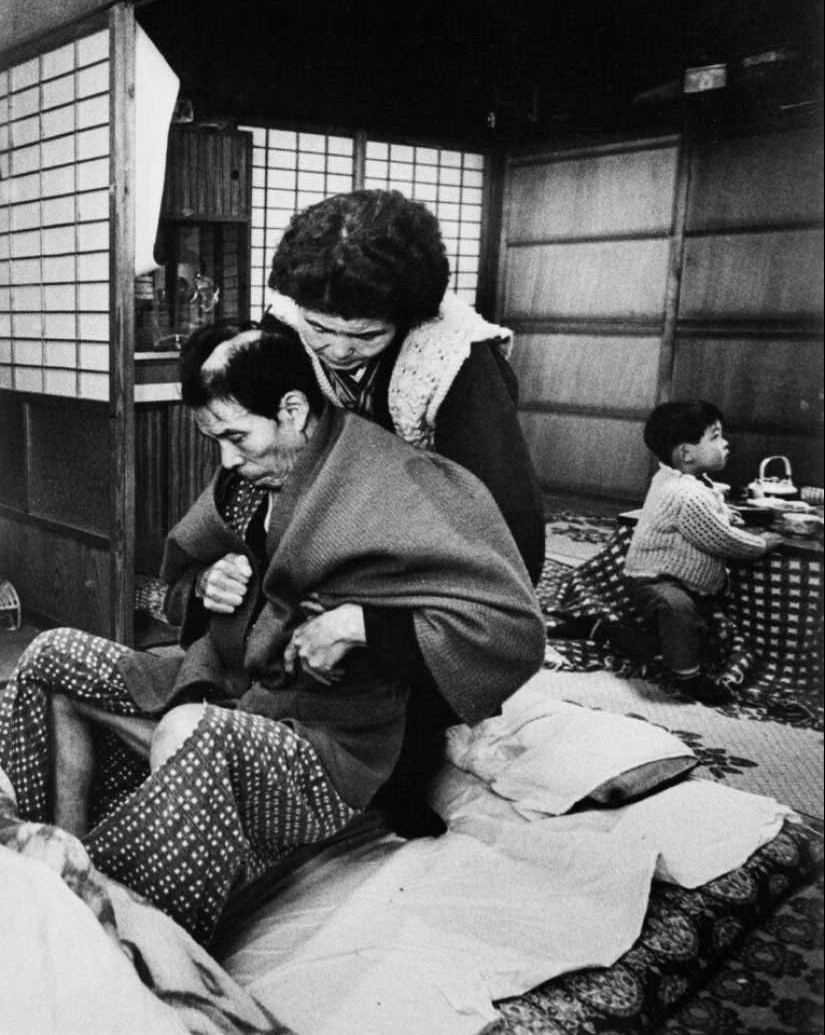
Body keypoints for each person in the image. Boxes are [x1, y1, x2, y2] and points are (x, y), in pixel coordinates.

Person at [0, 323, 544, 946]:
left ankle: (122, 936)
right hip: (225, 682)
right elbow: (177, 581)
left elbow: (511, 629)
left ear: (291, 410)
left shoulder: (399, 482)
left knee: (188, 730)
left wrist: (361, 624)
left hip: (323, 735)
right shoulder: (245, 479)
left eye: (236, 436)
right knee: (50, 655)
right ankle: (54, 862)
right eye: (216, 440)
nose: (227, 459)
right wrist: (206, 585)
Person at [264, 188, 546, 585]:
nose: (339, 351)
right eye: (320, 328)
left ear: (407, 318)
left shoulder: (455, 357)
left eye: (366, 336)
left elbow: (504, 508)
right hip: (327, 508)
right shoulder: (288, 318)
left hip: (431, 523)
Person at [622, 400, 783, 701]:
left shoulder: (682, 479)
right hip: (656, 580)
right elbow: (721, 539)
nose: (725, 443)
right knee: (678, 612)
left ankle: (609, 633)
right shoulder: (686, 494)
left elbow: (711, 513)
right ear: (686, 453)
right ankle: (689, 678)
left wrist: (727, 514)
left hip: (677, 576)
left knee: (680, 630)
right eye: (716, 436)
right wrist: (761, 544)